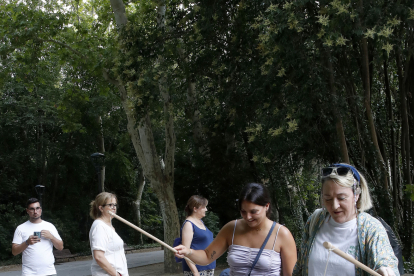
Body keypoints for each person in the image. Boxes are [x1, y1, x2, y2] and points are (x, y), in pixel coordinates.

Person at [293, 163, 400, 276]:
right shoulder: (315, 221)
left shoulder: (371, 228)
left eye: (341, 198)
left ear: (356, 195)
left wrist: (385, 270)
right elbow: (300, 267)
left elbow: (384, 260)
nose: (334, 206)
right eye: (328, 199)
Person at [175, 183, 297, 276]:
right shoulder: (231, 228)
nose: (248, 217)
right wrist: (188, 252)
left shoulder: (282, 234)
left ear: (266, 206)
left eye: (253, 212)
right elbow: (207, 256)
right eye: (243, 211)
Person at [12, 198, 64, 276]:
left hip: (49, 272)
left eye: (37, 208)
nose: (35, 212)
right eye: (32, 209)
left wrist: (51, 237)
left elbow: (60, 247)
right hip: (29, 273)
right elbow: (14, 251)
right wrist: (27, 242)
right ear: (27, 211)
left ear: (41, 209)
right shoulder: (21, 228)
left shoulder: (49, 226)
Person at [89, 192, 128, 276]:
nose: (114, 208)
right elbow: (99, 256)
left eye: (115, 205)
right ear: (101, 208)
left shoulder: (108, 226)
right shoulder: (99, 227)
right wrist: (116, 274)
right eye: (110, 205)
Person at [181, 195, 216, 276]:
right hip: (198, 270)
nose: (206, 209)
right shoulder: (188, 224)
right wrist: (195, 272)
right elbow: (186, 251)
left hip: (208, 267)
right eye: (204, 207)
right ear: (195, 209)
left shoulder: (201, 222)